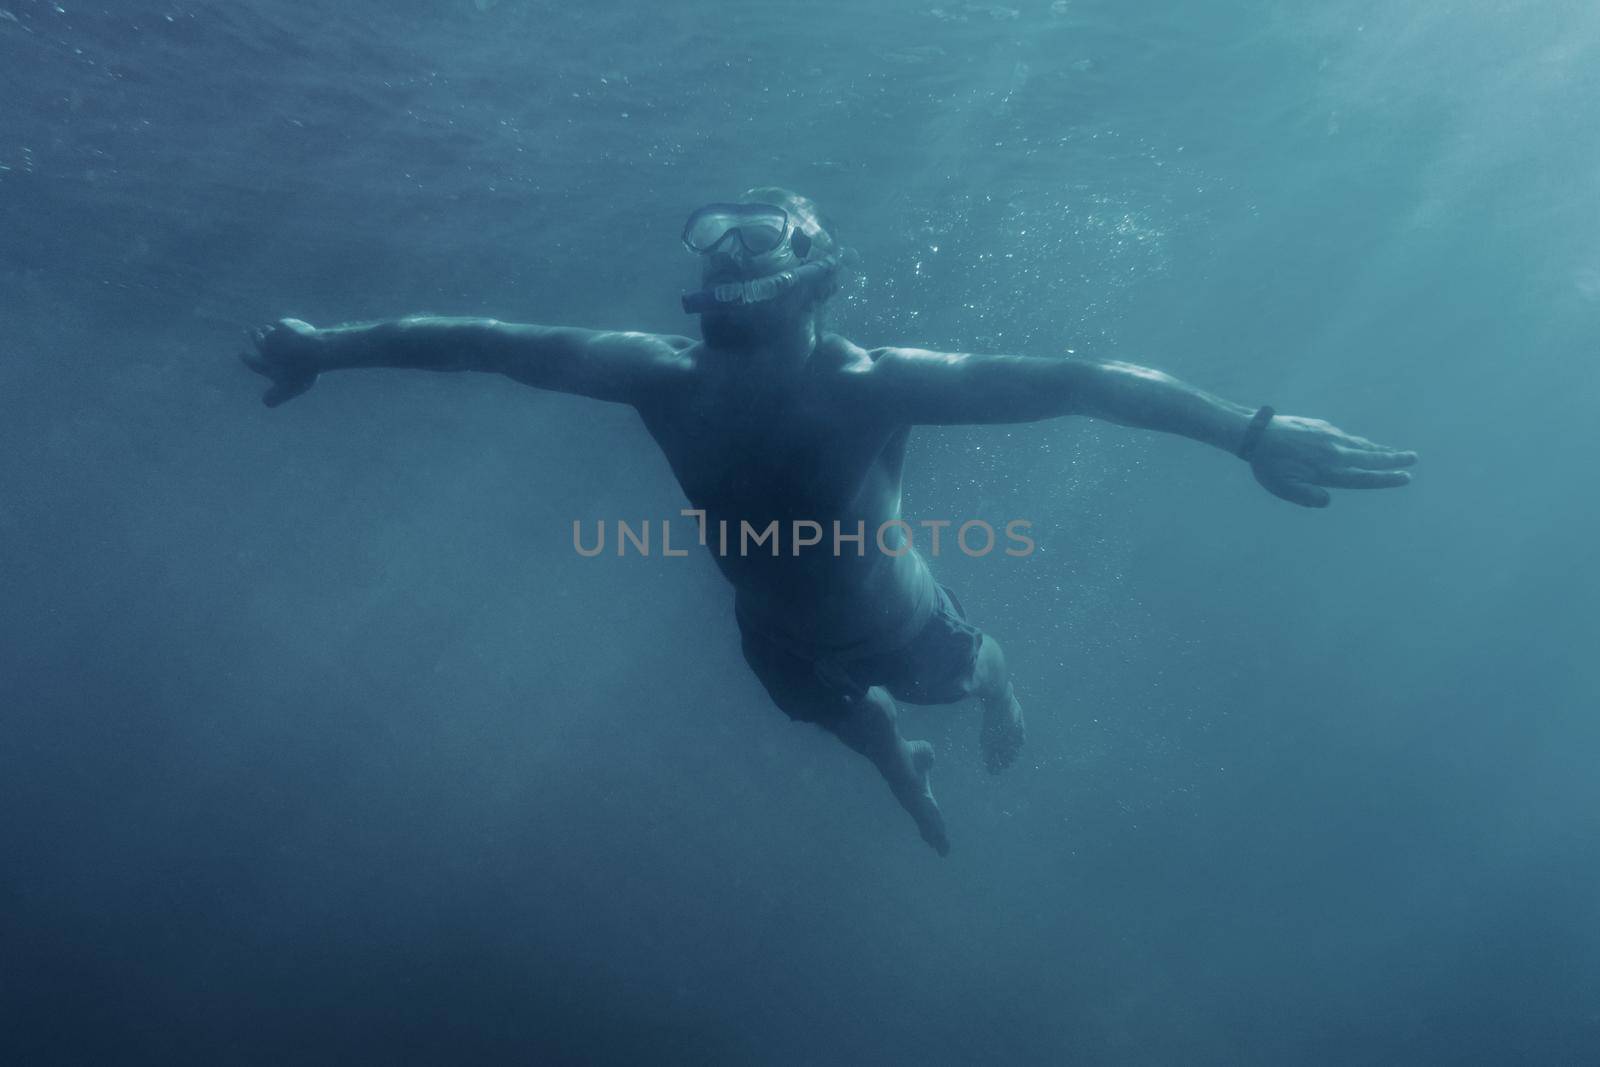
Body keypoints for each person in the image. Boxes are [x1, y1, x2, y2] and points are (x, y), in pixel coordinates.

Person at [241, 187, 1416, 855]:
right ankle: (900, 774)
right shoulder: (663, 374)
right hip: (777, 632)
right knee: (848, 731)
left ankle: (996, 682)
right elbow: (481, 345)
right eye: (714, 299)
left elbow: (1081, 378)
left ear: (814, 290)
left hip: (905, 623)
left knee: (957, 673)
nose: (717, 321)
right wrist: (324, 348)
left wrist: (1248, 429)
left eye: (748, 295)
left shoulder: (867, 381)